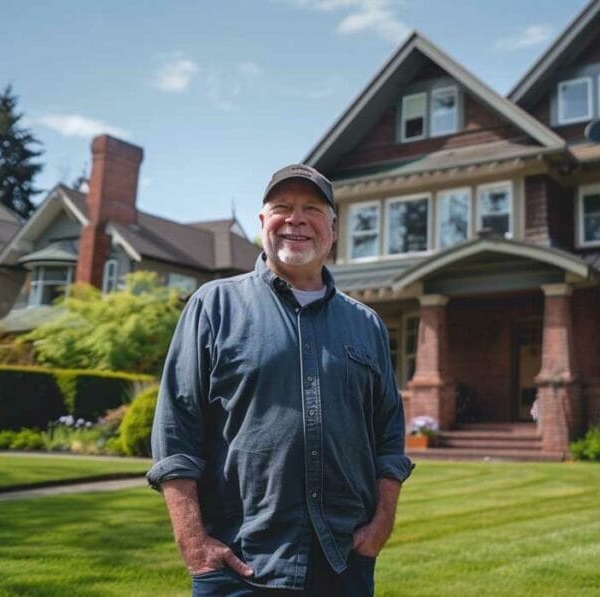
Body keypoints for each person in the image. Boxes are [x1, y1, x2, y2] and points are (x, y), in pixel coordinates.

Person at [147, 164, 413, 596]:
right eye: (282, 207)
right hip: (240, 561)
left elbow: (388, 435)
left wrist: (381, 524)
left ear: (333, 227)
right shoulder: (214, 307)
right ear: (262, 222)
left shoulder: (367, 325)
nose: (296, 219)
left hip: (343, 561)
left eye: (311, 208)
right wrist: (193, 543)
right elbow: (176, 433)